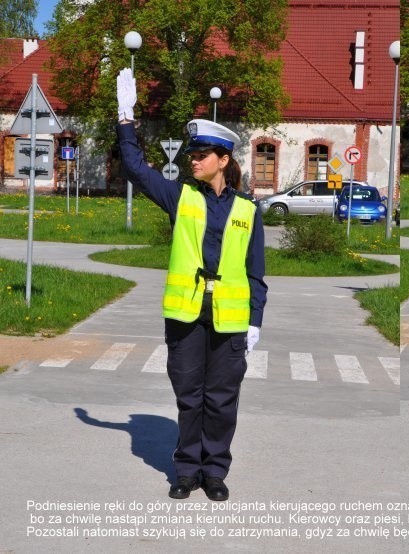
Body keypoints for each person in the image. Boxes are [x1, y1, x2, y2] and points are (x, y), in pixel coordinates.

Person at [115, 68, 267, 502]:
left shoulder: (247, 210)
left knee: (221, 401)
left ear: (223, 160)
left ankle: (215, 471)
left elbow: (256, 271)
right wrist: (126, 119)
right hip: (186, 314)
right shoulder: (179, 197)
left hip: (230, 320)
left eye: (201, 154)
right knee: (189, 396)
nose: (192, 160)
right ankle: (186, 470)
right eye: (192, 154)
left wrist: (255, 320)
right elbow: (135, 168)